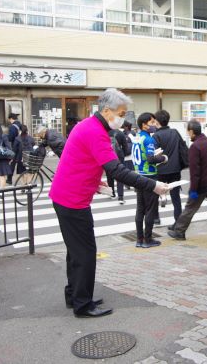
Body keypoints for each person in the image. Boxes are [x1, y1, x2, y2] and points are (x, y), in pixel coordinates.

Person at [49, 88, 170, 318]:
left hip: (66, 195)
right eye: (121, 113)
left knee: (75, 252)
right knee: (85, 253)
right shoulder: (95, 131)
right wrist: (152, 185)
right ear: (106, 111)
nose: (123, 118)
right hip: (73, 201)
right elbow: (118, 170)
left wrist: (96, 183)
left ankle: (74, 296)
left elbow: (79, 161)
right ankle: (83, 305)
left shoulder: (86, 126)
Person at [168, 120, 207, 240]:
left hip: (200, 185)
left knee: (190, 208)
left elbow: (194, 172)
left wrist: (193, 189)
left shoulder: (195, 147)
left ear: (191, 131)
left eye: (188, 131)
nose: (188, 134)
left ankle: (179, 231)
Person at [133, 112, 168, 248]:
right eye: (152, 122)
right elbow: (150, 158)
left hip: (138, 176)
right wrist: (163, 158)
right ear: (144, 124)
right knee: (150, 209)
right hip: (149, 177)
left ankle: (139, 239)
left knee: (140, 209)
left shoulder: (137, 138)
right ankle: (148, 239)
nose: (154, 125)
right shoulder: (149, 140)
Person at [153, 110, 188, 221]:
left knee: (155, 193)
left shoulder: (155, 136)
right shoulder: (175, 132)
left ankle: (156, 217)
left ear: (157, 122)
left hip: (160, 170)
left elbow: (154, 155)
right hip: (175, 169)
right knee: (176, 197)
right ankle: (178, 221)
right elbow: (182, 148)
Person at [107, 127, 128, 204]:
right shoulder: (120, 133)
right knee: (120, 175)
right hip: (119, 156)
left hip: (108, 155)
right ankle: (121, 197)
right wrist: (123, 154)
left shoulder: (106, 132)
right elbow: (125, 146)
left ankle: (112, 194)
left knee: (109, 175)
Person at [6, 113, 22, 185]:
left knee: (12, 163)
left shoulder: (12, 127)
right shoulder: (21, 125)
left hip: (15, 147)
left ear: (11, 118)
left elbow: (10, 138)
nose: (9, 121)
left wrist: (8, 136)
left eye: (9, 119)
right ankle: (23, 181)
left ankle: (9, 179)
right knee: (20, 163)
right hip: (22, 147)